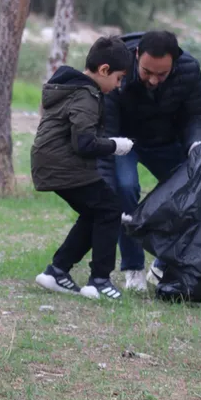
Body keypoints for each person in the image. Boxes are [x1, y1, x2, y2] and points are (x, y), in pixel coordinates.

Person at [101, 30, 201, 291]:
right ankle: (133, 268)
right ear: (137, 56)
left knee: (188, 195)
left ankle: (163, 264)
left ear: (175, 61)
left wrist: (196, 143)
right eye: (147, 71)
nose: (153, 80)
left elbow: (195, 115)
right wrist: (104, 180)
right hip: (124, 141)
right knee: (125, 187)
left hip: (164, 141)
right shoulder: (117, 66)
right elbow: (107, 129)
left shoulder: (189, 69)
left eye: (162, 74)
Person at [31, 36, 134, 301]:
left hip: (51, 163)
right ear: (103, 70)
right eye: (119, 78)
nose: (119, 85)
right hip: (61, 164)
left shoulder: (74, 87)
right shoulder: (86, 95)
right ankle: (99, 280)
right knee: (109, 208)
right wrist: (115, 145)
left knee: (96, 212)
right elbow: (85, 144)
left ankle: (56, 272)